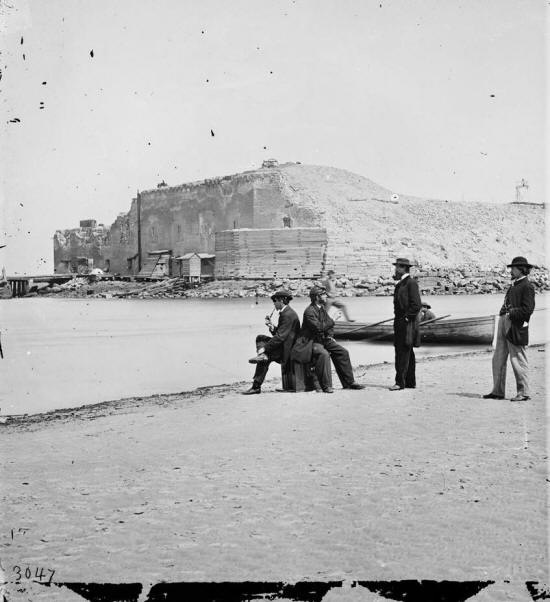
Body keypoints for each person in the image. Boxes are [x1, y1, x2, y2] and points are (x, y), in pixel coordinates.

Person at [483, 256, 536, 402]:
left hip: (515, 325)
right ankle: (498, 391)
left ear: (521, 269)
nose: (510, 271)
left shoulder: (527, 286)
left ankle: (524, 392)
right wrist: (504, 314)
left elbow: (528, 310)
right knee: (498, 359)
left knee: (518, 359)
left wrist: (511, 313)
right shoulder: (514, 285)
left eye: (513, 268)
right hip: (504, 321)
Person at [300, 285, 365, 392]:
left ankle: (349, 383)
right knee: (323, 354)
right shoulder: (309, 311)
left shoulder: (321, 309)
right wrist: (334, 319)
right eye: (324, 295)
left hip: (323, 339)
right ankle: (326, 386)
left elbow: (328, 325)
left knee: (343, 352)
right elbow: (319, 328)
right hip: (311, 341)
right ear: (317, 297)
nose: (326, 297)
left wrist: (330, 336)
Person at [242, 290, 300, 395]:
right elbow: (281, 334)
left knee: (265, 354)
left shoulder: (287, 315)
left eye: (275, 300)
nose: (273, 303)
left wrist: (264, 348)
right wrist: (272, 327)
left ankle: (256, 386)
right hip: (286, 346)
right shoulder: (288, 313)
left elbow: (280, 337)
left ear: (281, 301)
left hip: (287, 350)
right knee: (261, 339)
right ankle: (263, 357)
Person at [389, 258, 422, 391]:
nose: (395, 270)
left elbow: (416, 304)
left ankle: (400, 383)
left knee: (402, 351)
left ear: (402, 268)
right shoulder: (402, 283)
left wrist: (407, 318)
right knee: (408, 351)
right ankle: (410, 381)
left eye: (397, 267)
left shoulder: (410, 283)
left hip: (405, 322)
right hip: (401, 321)